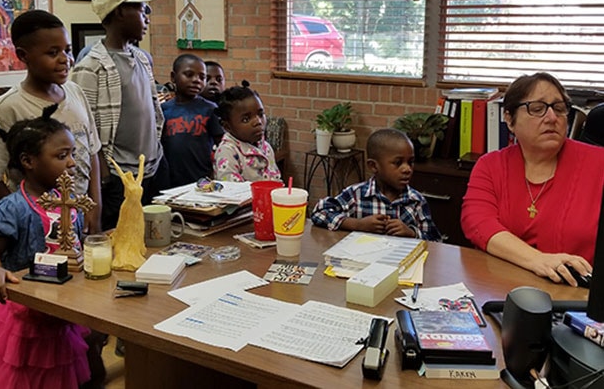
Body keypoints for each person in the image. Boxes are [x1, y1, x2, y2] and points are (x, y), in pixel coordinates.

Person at [0, 106, 103, 389]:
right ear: (28, 161)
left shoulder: (71, 203)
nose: (71, 163)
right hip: (30, 320)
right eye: (61, 156)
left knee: (86, 374)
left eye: (72, 153)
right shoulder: (12, 209)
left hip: (67, 311)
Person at [461, 72, 604, 287]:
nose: (552, 118)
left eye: (559, 108)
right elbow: (478, 223)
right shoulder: (491, 166)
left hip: (577, 296)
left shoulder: (599, 164)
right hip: (501, 288)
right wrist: (538, 260)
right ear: (509, 119)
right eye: (537, 109)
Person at [0, 10, 102, 234]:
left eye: (67, 50)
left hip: (80, 217)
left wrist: (95, 205)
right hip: (40, 228)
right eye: (53, 53)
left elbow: (92, 151)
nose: (65, 59)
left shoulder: (76, 93)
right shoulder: (8, 108)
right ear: (24, 55)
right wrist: (24, 213)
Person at [71, 0, 168, 231]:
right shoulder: (90, 66)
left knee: (152, 237)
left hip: (151, 168)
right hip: (117, 176)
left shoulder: (143, 58)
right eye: (142, 10)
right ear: (120, 12)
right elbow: (83, 126)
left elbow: (152, 111)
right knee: (120, 237)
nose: (147, 18)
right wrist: (104, 174)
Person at [311, 128, 442, 240]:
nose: (407, 169)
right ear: (373, 166)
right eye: (398, 163)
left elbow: (435, 241)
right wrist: (357, 225)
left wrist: (411, 233)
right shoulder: (356, 195)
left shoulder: (416, 201)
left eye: (411, 162)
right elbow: (319, 212)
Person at [161, 54, 224, 187]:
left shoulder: (210, 109)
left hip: (201, 180)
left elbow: (222, 145)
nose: (197, 80)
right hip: (169, 181)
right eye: (189, 75)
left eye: (202, 77)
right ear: (173, 77)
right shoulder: (163, 110)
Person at [213, 81, 282, 182]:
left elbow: (275, 179)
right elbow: (231, 191)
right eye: (246, 119)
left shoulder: (265, 147)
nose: (258, 122)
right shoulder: (228, 151)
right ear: (227, 126)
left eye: (260, 114)